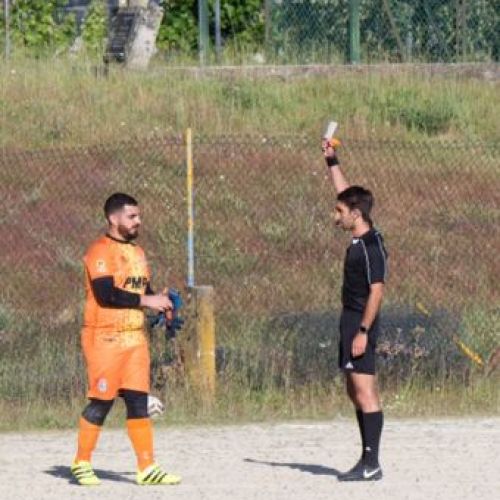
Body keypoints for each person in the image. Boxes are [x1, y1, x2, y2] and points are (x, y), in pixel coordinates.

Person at [71, 192, 181, 486]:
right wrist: (148, 300)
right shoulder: (99, 251)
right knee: (102, 401)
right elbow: (107, 295)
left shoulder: (138, 253)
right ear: (113, 218)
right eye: (132, 216)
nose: (138, 221)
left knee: (137, 401)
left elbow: (142, 288)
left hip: (134, 338)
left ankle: (147, 467)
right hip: (104, 337)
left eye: (138, 216)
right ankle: (81, 462)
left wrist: (162, 304)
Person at [322, 140, 388, 481]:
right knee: (354, 390)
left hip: (361, 322)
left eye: (339, 211)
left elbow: (376, 293)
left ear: (356, 214)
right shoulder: (360, 232)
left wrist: (362, 332)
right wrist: (332, 160)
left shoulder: (370, 249)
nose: (336, 215)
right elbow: (346, 192)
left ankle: (371, 463)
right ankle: (367, 460)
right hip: (350, 319)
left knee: (365, 392)